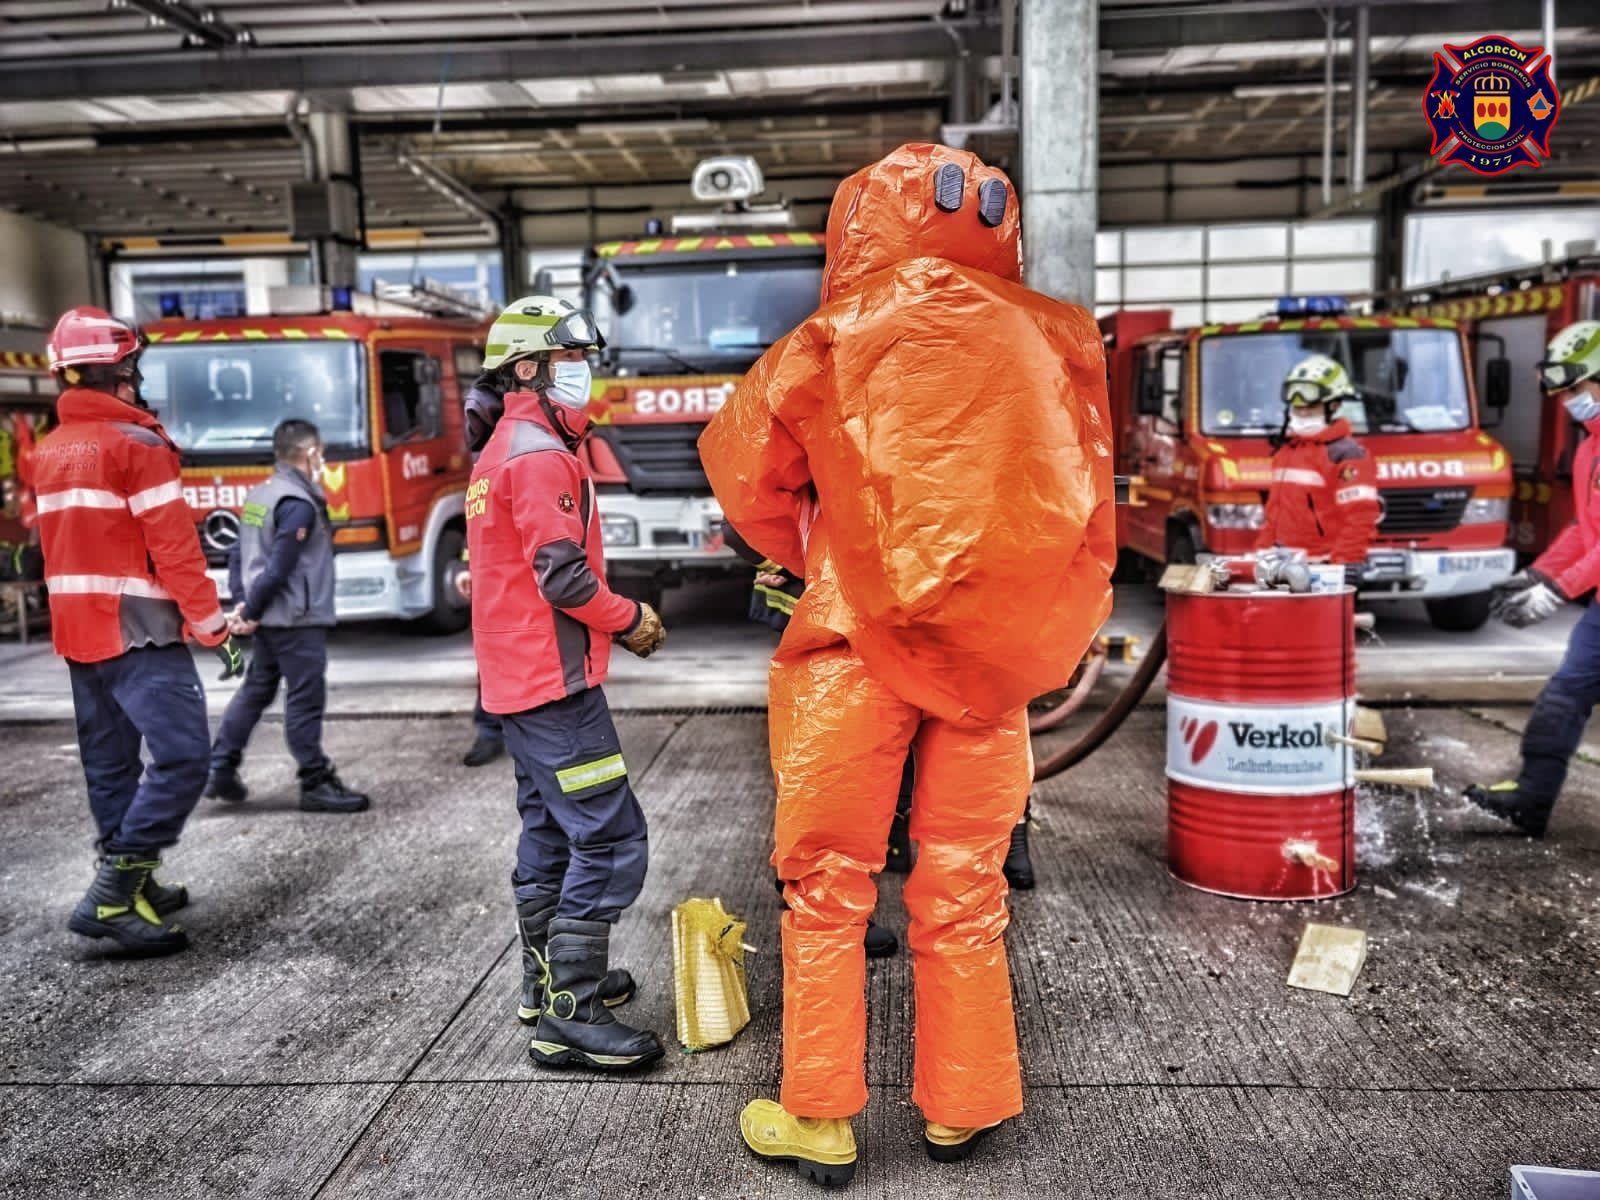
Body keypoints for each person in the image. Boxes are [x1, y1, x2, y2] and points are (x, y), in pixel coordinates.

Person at [700, 144, 1115, 1186]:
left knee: (828, 885)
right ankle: (961, 1104)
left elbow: (743, 470)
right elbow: (1089, 503)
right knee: (967, 881)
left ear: (859, 225)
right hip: (987, 657)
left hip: (852, 649)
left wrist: (818, 551)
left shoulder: (830, 334)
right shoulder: (1063, 338)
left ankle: (821, 1119)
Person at [466, 295, 668, 1072]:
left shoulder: (503, 447)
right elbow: (563, 577)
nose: (585, 370)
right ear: (529, 369)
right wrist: (633, 620)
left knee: (551, 833)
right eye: (570, 357)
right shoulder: (540, 454)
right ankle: (570, 1014)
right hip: (554, 688)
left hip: (517, 686)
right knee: (611, 839)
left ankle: (545, 978)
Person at [33, 306, 244, 955]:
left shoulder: (48, 450)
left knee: (110, 764)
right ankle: (115, 892)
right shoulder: (137, 445)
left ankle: (134, 880)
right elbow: (175, 550)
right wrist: (213, 625)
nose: (138, 377)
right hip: (139, 632)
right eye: (134, 365)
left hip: (78, 633)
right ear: (118, 370)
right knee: (184, 758)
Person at [724, 525, 906, 959]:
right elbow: (739, 516)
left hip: (842, 606)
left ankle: (821, 875)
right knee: (826, 763)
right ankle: (816, 889)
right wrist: (788, 560)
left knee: (834, 757)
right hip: (820, 617)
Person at [1467, 320, 1600, 836]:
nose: (1569, 400)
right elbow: (1585, 527)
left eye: (1576, 387)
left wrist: (1559, 591)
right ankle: (1533, 799)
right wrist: (1537, 574)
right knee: (1564, 696)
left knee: (1567, 693)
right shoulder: (1590, 444)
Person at [205, 419, 370, 814]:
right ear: (310, 453)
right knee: (305, 698)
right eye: (321, 452)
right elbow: (279, 567)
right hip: (296, 619)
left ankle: (219, 766)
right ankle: (315, 781)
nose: (323, 460)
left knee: (256, 691)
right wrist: (252, 610)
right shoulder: (297, 502)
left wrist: (246, 605)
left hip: (270, 618)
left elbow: (238, 555)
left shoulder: (260, 495)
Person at [1254, 353, 1383, 574]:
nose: (1302, 414)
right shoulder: (1287, 450)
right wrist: (1262, 551)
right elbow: (1274, 513)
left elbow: (1360, 516)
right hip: (1283, 566)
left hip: (1323, 569)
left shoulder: (1346, 454)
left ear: (1333, 406)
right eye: (1297, 409)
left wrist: (1346, 563)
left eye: (1310, 408)